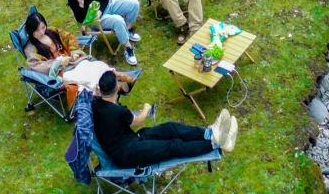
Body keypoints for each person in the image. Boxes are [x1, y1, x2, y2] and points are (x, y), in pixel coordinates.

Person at [90, 70, 237, 167]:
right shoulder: (118, 111)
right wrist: (146, 109)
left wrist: (113, 77)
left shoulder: (95, 102)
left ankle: (210, 133)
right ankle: (215, 144)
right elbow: (139, 121)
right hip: (126, 154)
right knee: (173, 146)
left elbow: (97, 90)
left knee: (170, 128)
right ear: (117, 87)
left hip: (132, 140)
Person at [67, 0, 141, 67]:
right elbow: (80, 20)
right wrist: (80, 4)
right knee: (118, 20)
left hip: (107, 7)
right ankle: (128, 48)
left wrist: (101, 11)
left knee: (134, 3)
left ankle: (128, 29)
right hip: (95, 20)